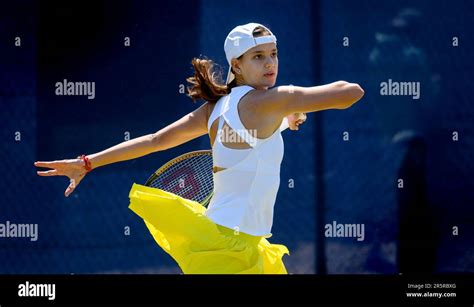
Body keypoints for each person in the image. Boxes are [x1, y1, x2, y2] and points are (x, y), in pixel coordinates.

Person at [34, 22, 364, 274]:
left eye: (274, 53)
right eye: (258, 56)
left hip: (228, 240)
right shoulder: (268, 102)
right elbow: (351, 92)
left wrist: (88, 162)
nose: (269, 63)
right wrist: (291, 101)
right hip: (231, 248)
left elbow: (154, 141)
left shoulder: (215, 109)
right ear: (236, 65)